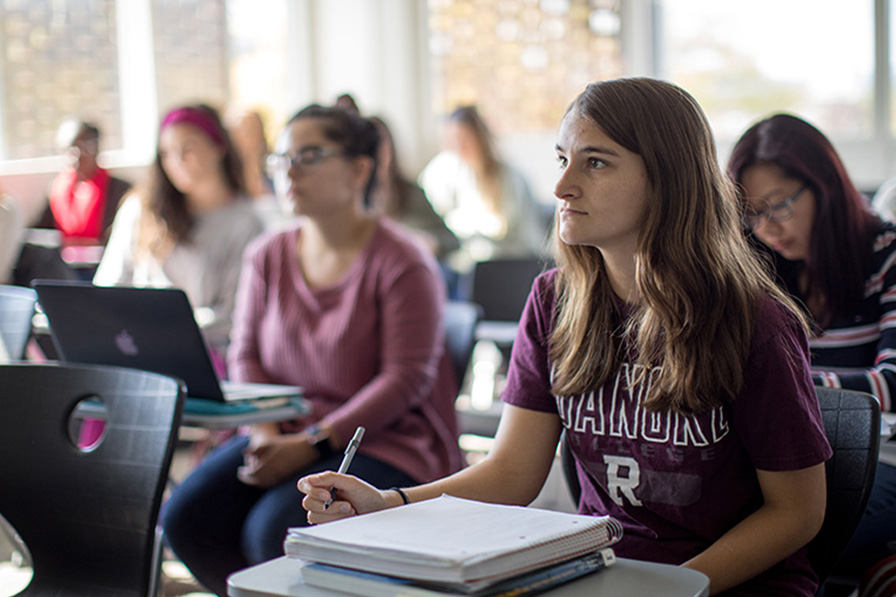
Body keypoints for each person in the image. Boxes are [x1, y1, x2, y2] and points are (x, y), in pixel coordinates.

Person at [299, 78, 833, 596]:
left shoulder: (755, 323)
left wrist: (677, 588)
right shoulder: (555, 302)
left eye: (595, 162)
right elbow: (511, 472)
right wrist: (388, 502)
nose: (561, 186)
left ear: (668, 179)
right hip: (601, 575)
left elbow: (797, 512)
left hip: (724, 583)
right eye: (562, 159)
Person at [161, 104, 463, 596]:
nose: (289, 171)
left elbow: (404, 379)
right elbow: (247, 354)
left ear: (359, 168)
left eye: (309, 156)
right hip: (282, 433)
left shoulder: (403, 260)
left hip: (381, 442)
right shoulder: (267, 254)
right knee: (185, 519)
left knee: (273, 533)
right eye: (281, 159)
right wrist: (262, 435)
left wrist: (314, 442)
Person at [728, 113, 896, 591]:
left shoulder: (888, 256)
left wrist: (783, 385)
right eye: (752, 213)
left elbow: (893, 383)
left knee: (781, 537)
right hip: (791, 462)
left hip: (882, 458)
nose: (766, 228)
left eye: (779, 205)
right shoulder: (762, 271)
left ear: (825, 187)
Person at [93, 104, 264, 358]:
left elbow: (234, 316)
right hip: (135, 349)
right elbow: (107, 288)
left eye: (188, 149)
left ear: (218, 147)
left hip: (206, 356)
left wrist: (162, 329)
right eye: (166, 153)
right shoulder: (141, 209)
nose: (176, 162)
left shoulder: (246, 223)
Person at [418, 105, 548, 267]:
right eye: (454, 140)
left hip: (513, 259)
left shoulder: (509, 177)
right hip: (471, 263)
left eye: (465, 140)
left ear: (480, 139)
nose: (459, 147)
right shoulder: (447, 168)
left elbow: (504, 228)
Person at [368, 115, 459, 260]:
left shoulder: (410, 193)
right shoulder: (350, 201)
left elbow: (451, 241)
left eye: (381, 148)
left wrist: (430, 242)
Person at [36, 118, 131, 246]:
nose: (74, 155)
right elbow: (42, 233)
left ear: (96, 148)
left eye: (81, 147)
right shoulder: (55, 190)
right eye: (67, 149)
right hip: (62, 264)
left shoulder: (120, 191)